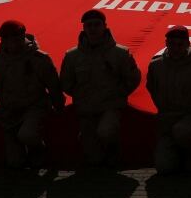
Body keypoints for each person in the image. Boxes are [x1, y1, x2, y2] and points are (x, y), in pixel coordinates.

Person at [60, 10, 140, 166]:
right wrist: (80, 95)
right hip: (86, 108)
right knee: (93, 158)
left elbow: (133, 78)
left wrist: (118, 95)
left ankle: (113, 150)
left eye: (97, 25)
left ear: (105, 26)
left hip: (110, 106)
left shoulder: (120, 54)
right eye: (89, 25)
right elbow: (66, 82)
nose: (93, 29)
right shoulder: (72, 56)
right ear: (83, 28)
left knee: (106, 131)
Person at [0, 20, 65, 169]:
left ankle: (39, 149)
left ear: (23, 36)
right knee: (14, 162)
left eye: (15, 37)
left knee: (27, 135)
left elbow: (54, 86)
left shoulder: (39, 59)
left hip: (34, 107)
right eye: (7, 38)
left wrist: (59, 107)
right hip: (10, 110)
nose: (11, 42)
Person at [146, 25, 191, 174]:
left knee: (182, 133)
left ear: (187, 44)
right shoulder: (156, 66)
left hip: (190, 120)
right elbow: (152, 88)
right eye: (172, 44)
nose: (176, 48)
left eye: (180, 44)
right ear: (166, 43)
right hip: (167, 120)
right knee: (164, 168)